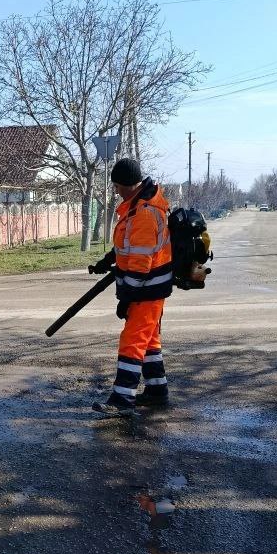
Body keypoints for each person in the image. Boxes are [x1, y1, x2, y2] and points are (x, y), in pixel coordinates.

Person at [90, 158, 172, 418]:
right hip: (146, 290)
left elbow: (140, 263)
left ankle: (122, 399)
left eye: (116, 186)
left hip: (147, 290)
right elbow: (127, 243)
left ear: (127, 185)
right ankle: (157, 391)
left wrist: (127, 297)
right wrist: (109, 259)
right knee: (148, 341)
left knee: (132, 341)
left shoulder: (145, 213)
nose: (115, 191)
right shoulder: (136, 208)